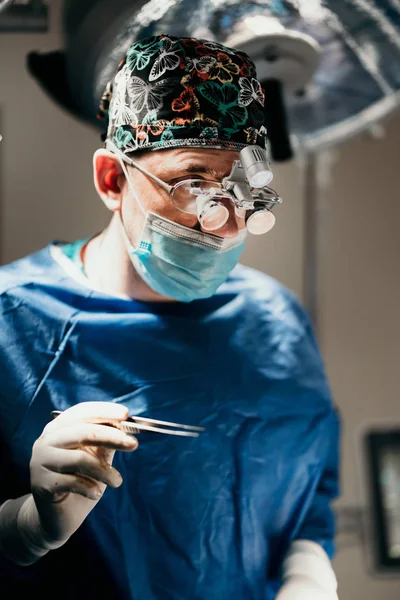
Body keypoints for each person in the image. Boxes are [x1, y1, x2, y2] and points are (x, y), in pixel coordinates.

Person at [0, 34, 341, 600]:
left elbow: (311, 491)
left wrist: (308, 572)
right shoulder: (14, 323)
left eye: (243, 190)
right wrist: (24, 529)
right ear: (113, 179)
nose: (228, 225)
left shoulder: (275, 319)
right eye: (195, 185)